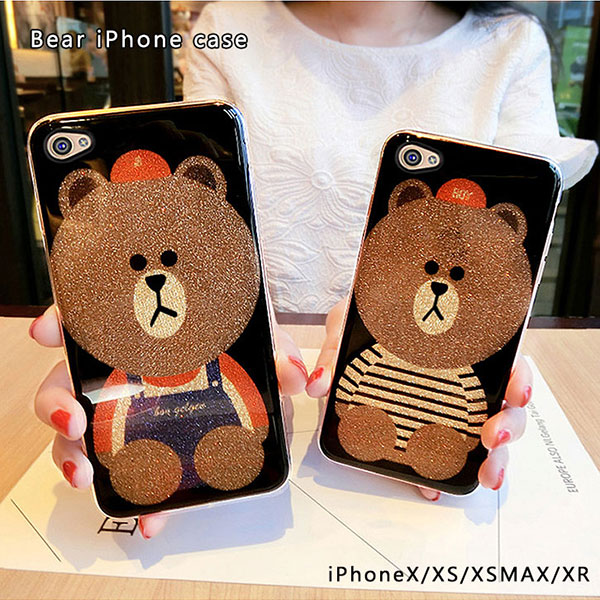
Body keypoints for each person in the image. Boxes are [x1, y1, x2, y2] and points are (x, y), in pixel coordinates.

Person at [31, 1, 598, 538]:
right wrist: (107, 304)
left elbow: (501, 275)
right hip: (271, 379)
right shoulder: (228, 26)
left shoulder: (510, 43)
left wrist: (486, 347)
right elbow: (188, 230)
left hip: (344, 423)